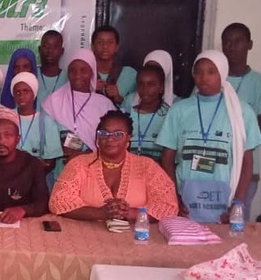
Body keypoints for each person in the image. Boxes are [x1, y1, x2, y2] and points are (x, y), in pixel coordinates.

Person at [158, 51, 261, 223]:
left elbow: (247, 163)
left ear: (222, 73)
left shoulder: (241, 112)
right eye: (198, 72)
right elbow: (167, 159)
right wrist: (173, 197)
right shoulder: (179, 110)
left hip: (226, 203)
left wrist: (237, 204)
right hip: (185, 201)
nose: (203, 77)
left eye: (211, 72)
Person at [49, 110, 179, 222]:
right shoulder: (79, 164)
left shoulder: (147, 166)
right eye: (104, 133)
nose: (110, 139)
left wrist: (129, 213)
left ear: (128, 138)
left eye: (118, 134)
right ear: (97, 137)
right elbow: (58, 201)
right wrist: (101, 213)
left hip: (135, 239)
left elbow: (168, 206)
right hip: (84, 238)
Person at [222, 22, 261, 220]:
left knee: (236, 224)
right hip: (212, 169)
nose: (232, 47)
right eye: (227, 41)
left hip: (245, 169)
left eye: (238, 41)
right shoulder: (210, 80)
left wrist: (228, 132)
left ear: (250, 44)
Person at [41, 49, 116, 172]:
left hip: (95, 169)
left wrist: (84, 155)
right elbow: (45, 140)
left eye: (83, 70)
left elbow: (112, 142)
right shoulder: (53, 102)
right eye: (72, 70)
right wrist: (58, 150)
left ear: (92, 72)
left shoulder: (104, 104)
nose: (77, 75)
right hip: (61, 168)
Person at [10, 72, 62, 178]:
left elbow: (50, 162)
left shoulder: (46, 121)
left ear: (34, 93)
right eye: (17, 92)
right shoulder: (7, 117)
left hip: (36, 179)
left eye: (26, 91)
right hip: (10, 177)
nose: (21, 96)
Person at [121, 64, 171, 162]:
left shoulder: (169, 116)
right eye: (141, 84)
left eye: (151, 84)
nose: (145, 89)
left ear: (161, 87)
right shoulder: (125, 114)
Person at [92, 25, 136, 106]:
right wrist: (89, 90)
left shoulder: (130, 74)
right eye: (100, 42)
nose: (105, 46)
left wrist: (119, 98)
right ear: (93, 46)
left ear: (116, 47)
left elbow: (138, 107)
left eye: (110, 42)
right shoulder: (82, 73)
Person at [36, 30, 67, 106]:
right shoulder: (32, 75)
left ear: (62, 51)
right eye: (46, 46)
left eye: (55, 46)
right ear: (39, 49)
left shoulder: (68, 78)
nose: (50, 50)